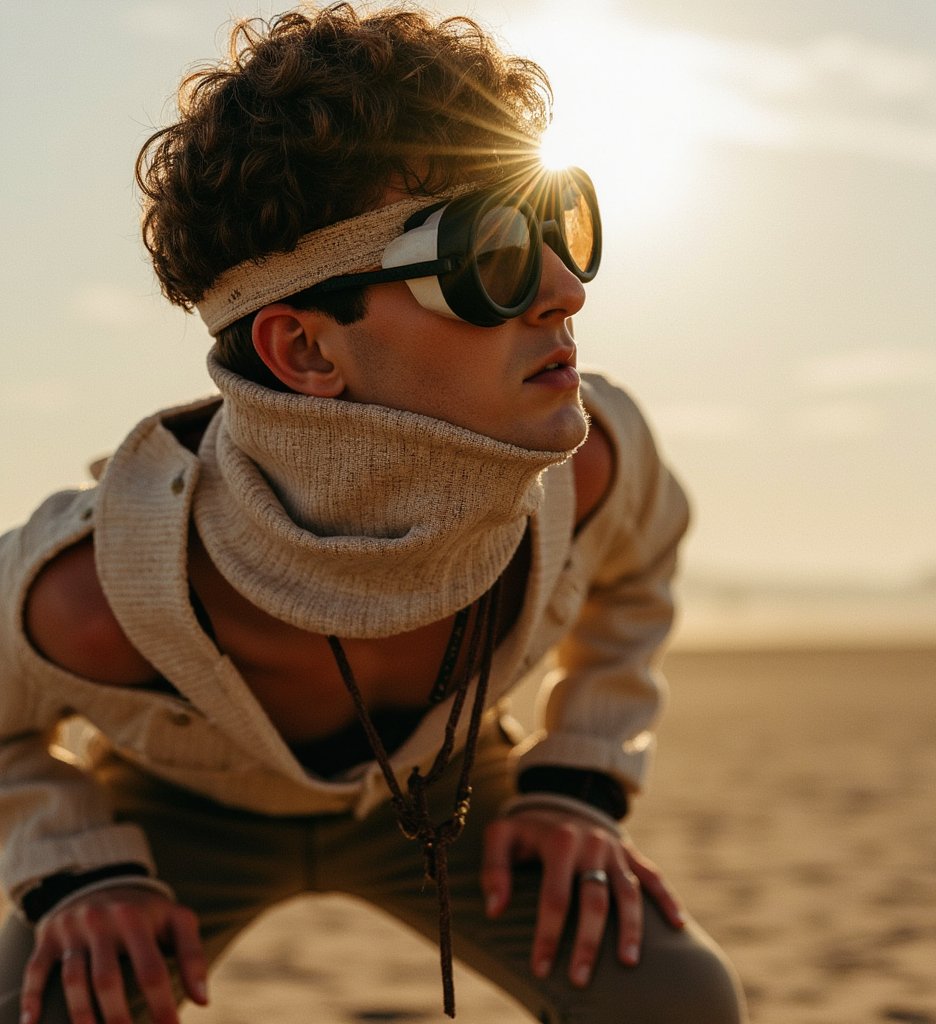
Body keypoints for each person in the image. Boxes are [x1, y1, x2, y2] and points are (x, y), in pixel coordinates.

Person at [0, 5, 746, 1023]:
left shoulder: (598, 460)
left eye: (555, 219)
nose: (567, 289)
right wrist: (75, 866)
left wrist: (581, 776)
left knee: (676, 995)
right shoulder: (100, 588)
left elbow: (638, 572)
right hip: (178, 809)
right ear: (305, 351)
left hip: (457, 783)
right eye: (487, 254)